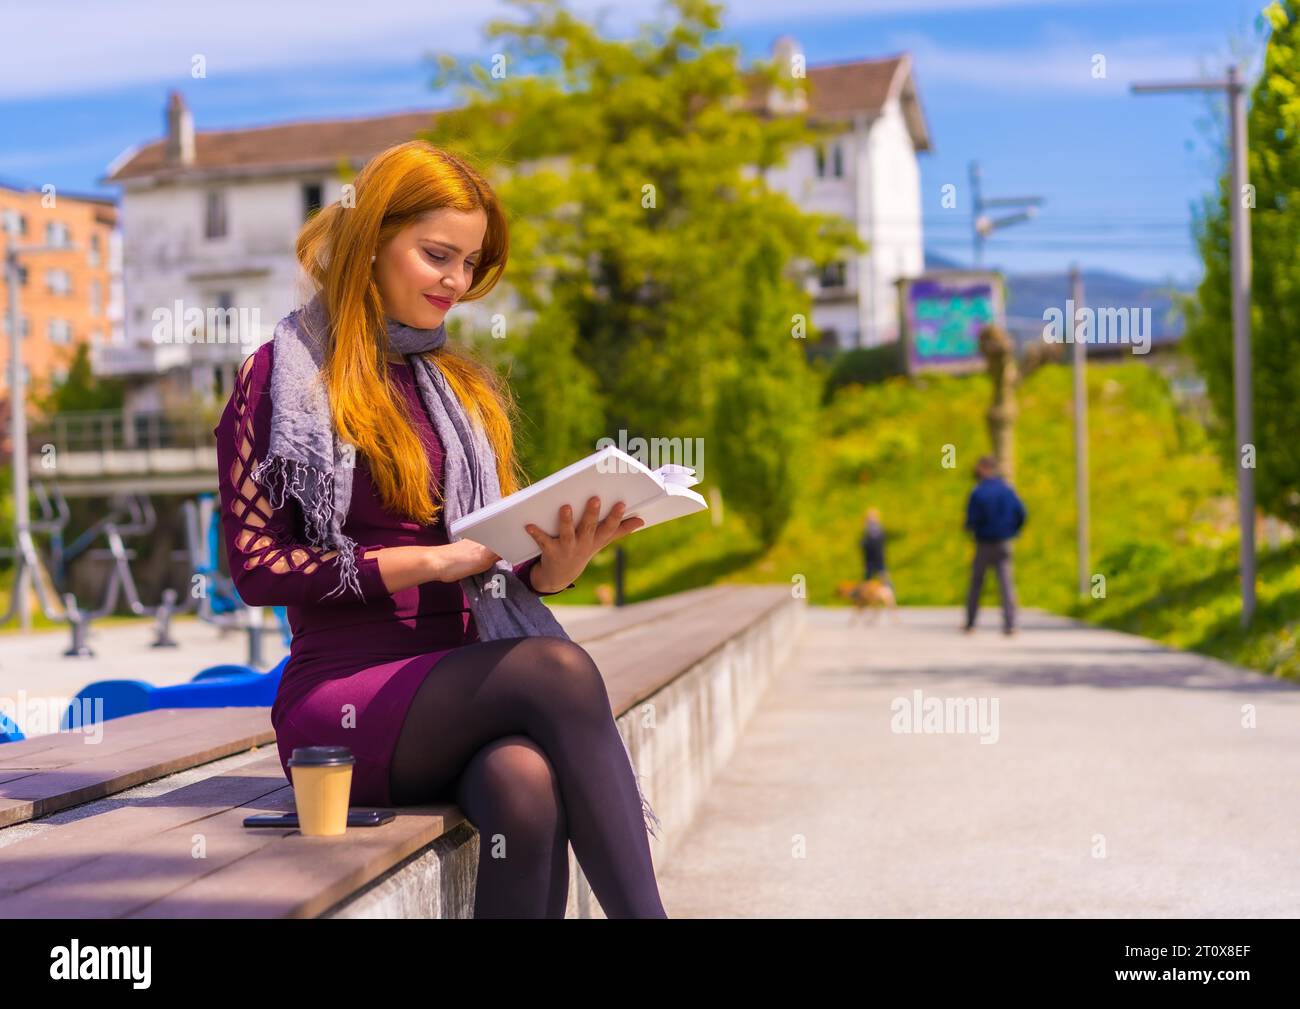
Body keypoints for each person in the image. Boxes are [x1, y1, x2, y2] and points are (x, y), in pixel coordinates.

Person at [213, 140, 666, 918]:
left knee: (525, 786)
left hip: (461, 684)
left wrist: (557, 563)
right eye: (437, 255)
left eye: (470, 263)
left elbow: (494, 562)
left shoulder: (457, 387)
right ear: (373, 239)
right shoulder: (283, 376)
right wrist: (420, 563)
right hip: (343, 698)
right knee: (554, 671)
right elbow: (257, 568)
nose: (457, 281)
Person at [963, 455, 1026, 635]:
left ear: (983, 469)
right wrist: (1013, 530)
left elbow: (971, 520)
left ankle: (971, 622)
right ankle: (1010, 624)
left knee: (976, 583)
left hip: (984, 543)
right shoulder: (1007, 490)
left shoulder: (978, 492)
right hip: (1004, 542)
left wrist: (972, 529)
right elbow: (1021, 512)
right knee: (1006, 584)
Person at [859, 507, 890, 587]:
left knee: (882, 581)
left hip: (875, 561)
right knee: (882, 581)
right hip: (875, 561)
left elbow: (872, 544)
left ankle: (890, 597)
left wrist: (863, 543)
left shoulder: (873, 530)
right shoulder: (876, 530)